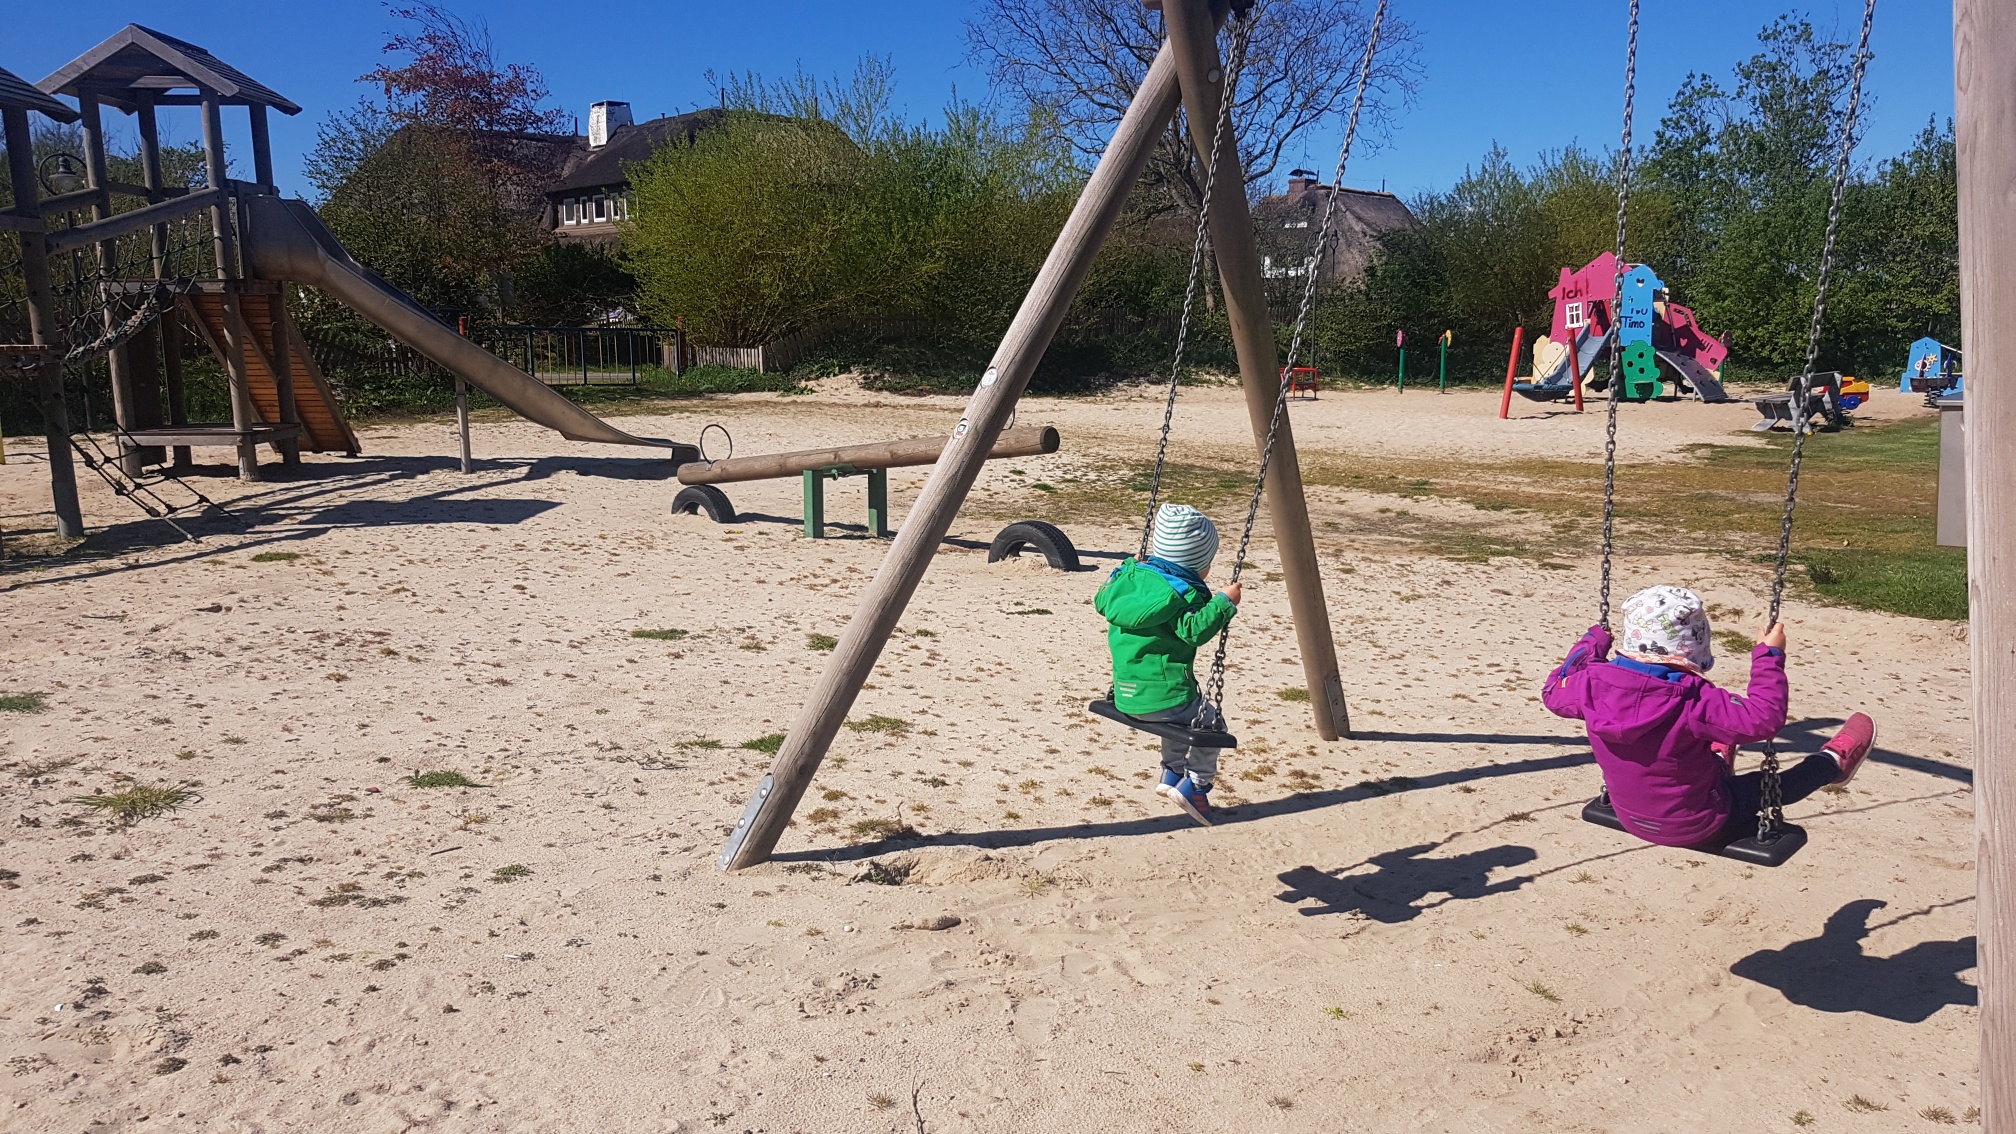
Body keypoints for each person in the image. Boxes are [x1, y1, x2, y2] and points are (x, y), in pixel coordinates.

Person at [1543, 584, 1876, 848]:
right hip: (1699, 823)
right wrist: (1768, 656)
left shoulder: (1588, 683)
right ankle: (1832, 764)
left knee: (1692, 746)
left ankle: (1717, 757)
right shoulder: (1694, 699)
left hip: (1628, 814)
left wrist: (1590, 643)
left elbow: (1553, 691)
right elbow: (1764, 717)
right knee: (1766, 786)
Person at [1095, 503, 1242, 826]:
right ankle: (1197, 785)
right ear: (1196, 563)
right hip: (1164, 699)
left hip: (1125, 695)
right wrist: (1223, 603)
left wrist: (1130, 565)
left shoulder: (1130, 582)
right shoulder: (1181, 595)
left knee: (1180, 717)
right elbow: (1193, 631)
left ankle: (1172, 772)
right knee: (1210, 723)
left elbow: (1102, 596)